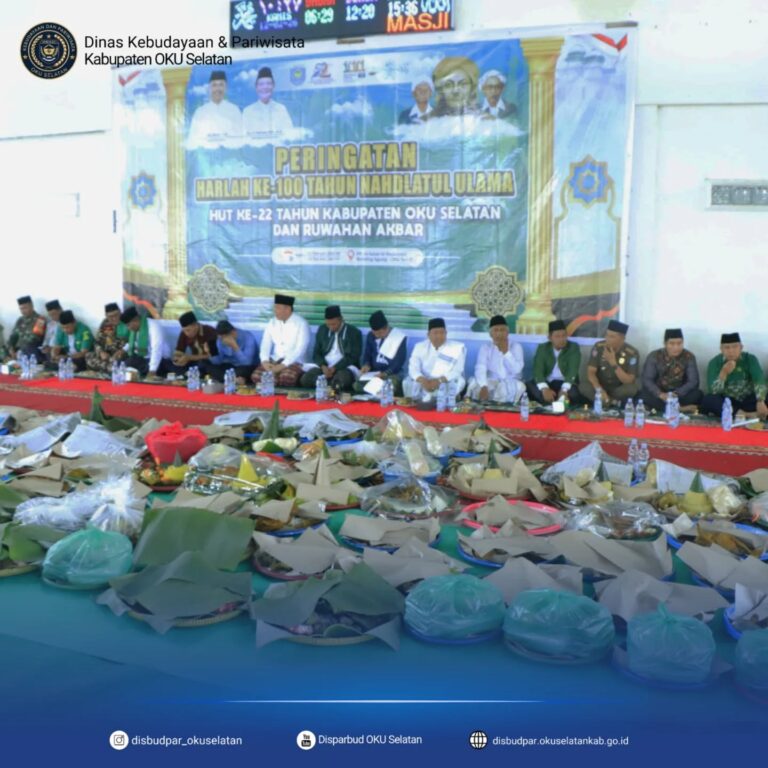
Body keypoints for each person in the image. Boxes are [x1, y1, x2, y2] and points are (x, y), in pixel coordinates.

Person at [701, 333, 768, 418]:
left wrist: (760, 400)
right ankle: (746, 415)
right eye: (727, 347)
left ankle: (737, 414)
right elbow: (714, 391)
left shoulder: (750, 359)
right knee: (708, 400)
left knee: (765, 395)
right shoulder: (714, 363)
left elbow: (759, 380)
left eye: (735, 347)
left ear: (741, 347)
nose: (731, 351)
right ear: (721, 349)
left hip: (749, 401)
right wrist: (723, 373)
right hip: (729, 402)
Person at [251, 294, 310, 388]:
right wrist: (265, 361)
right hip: (276, 358)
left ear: (288, 309)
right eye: (275, 307)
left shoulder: (301, 323)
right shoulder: (272, 322)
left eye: (278, 308)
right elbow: (265, 344)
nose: (275, 310)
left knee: (286, 378)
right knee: (257, 377)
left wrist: (282, 365)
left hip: (295, 361)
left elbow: (300, 350)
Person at [300, 306, 362, 393]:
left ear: (341, 320)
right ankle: (329, 385)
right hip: (325, 367)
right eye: (328, 324)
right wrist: (323, 366)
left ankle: (329, 385)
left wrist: (335, 368)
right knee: (305, 379)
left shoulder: (354, 332)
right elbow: (316, 353)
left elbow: (353, 356)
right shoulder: (322, 329)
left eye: (333, 324)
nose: (331, 327)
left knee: (342, 380)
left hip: (344, 367)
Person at [640, 328, 703, 413]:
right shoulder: (654, 356)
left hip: (680, 395)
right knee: (642, 395)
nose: (676, 347)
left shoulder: (689, 357)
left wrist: (677, 393)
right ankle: (680, 409)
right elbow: (647, 379)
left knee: (697, 394)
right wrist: (660, 394)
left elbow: (693, 381)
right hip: (659, 394)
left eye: (679, 343)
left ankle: (663, 408)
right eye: (672, 344)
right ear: (665, 343)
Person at [403, 318, 466, 401]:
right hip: (424, 379)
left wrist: (439, 381)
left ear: (446, 333)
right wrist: (423, 381)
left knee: (459, 381)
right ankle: (415, 404)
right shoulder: (419, 347)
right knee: (407, 382)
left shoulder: (456, 348)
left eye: (442, 333)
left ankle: (448, 403)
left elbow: (457, 371)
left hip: (445, 380)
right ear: (428, 334)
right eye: (435, 333)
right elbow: (413, 368)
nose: (439, 336)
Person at [581, 320, 640, 406]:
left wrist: (613, 363)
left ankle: (604, 402)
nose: (607, 339)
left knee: (631, 388)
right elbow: (591, 372)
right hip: (600, 385)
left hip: (617, 389)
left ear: (622, 339)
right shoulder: (599, 347)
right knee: (583, 386)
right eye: (606, 335)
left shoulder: (632, 353)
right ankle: (613, 402)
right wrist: (599, 389)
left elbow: (629, 380)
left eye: (612, 336)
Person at [467, 315, 525, 403]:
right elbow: (480, 368)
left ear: (507, 333)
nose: (499, 333)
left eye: (502, 330)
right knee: (474, 382)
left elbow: (516, 370)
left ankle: (493, 401)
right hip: (491, 381)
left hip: (510, 381)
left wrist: (506, 352)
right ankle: (492, 399)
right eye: (496, 330)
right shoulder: (486, 347)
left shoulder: (516, 346)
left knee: (519, 386)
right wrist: (484, 386)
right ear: (491, 334)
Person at [527, 319, 585, 406]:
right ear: (550, 338)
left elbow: (572, 370)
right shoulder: (543, 348)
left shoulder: (573, 347)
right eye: (557, 336)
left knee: (573, 395)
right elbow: (538, 370)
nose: (562, 339)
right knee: (530, 387)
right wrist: (544, 388)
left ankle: (553, 402)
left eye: (564, 335)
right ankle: (548, 404)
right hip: (547, 381)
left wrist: (564, 390)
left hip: (565, 382)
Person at [356, 310, 407, 396]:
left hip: (392, 373)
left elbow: (398, 363)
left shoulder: (399, 338)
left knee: (391, 385)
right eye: (374, 333)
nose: (377, 336)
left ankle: (381, 394)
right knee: (357, 385)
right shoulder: (371, 336)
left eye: (379, 333)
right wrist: (366, 365)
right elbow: (367, 354)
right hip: (374, 373)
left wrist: (385, 374)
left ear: (386, 327)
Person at [187, 70, 243, 148]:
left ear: (226, 88)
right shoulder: (200, 112)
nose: (217, 89)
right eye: (214, 85)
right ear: (209, 88)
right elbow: (192, 141)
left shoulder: (234, 110)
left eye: (221, 85)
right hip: (206, 154)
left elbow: (241, 138)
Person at [242, 66, 293, 139]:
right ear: (256, 87)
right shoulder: (248, 111)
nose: (265, 87)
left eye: (268, 83)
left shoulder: (281, 109)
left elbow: (289, 134)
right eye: (261, 84)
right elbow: (244, 137)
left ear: (273, 86)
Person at [117, 307, 165, 378]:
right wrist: (123, 350)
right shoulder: (138, 328)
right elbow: (135, 342)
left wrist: (152, 370)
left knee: (130, 366)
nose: (128, 328)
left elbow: (157, 349)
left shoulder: (153, 326)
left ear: (135, 320)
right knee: (120, 364)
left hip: (157, 360)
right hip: (142, 358)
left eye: (128, 325)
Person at [167, 311, 218, 376]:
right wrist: (177, 359)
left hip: (207, 363)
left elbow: (213, 356)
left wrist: (190, 357)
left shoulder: (209, 331)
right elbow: (179, 351)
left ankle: (188, 374)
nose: (186, 333)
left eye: (188, 330)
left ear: (195, 325)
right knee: (166, 362)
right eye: (184, 330)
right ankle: (187, 374)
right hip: (194, 363)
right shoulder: (184, 333)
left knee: (204, 364)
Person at [85, 304, 125, 375]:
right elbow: (97, 341)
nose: (114, 318)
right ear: (106, 316)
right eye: (111, 317)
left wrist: (120, 352)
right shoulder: (106, 323)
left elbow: (129, 344)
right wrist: (101, 352)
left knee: (118, 361)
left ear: (120, 312)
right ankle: (109, 369)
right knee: (89, 355)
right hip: (106, 355)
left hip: (119, 354)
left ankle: (108, 369)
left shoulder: (125, 322)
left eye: (116, 315)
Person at [7, 296, 46, 361]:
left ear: (32, 306)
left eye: (25, 308)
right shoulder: (20, 320)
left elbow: (34, 339)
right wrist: (11, 349)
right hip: (20, 352)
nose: (23, 311)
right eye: (21, 309)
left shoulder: (40, 320)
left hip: (33, 351)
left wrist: (19, 351)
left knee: (30, 347)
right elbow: (13, 336)